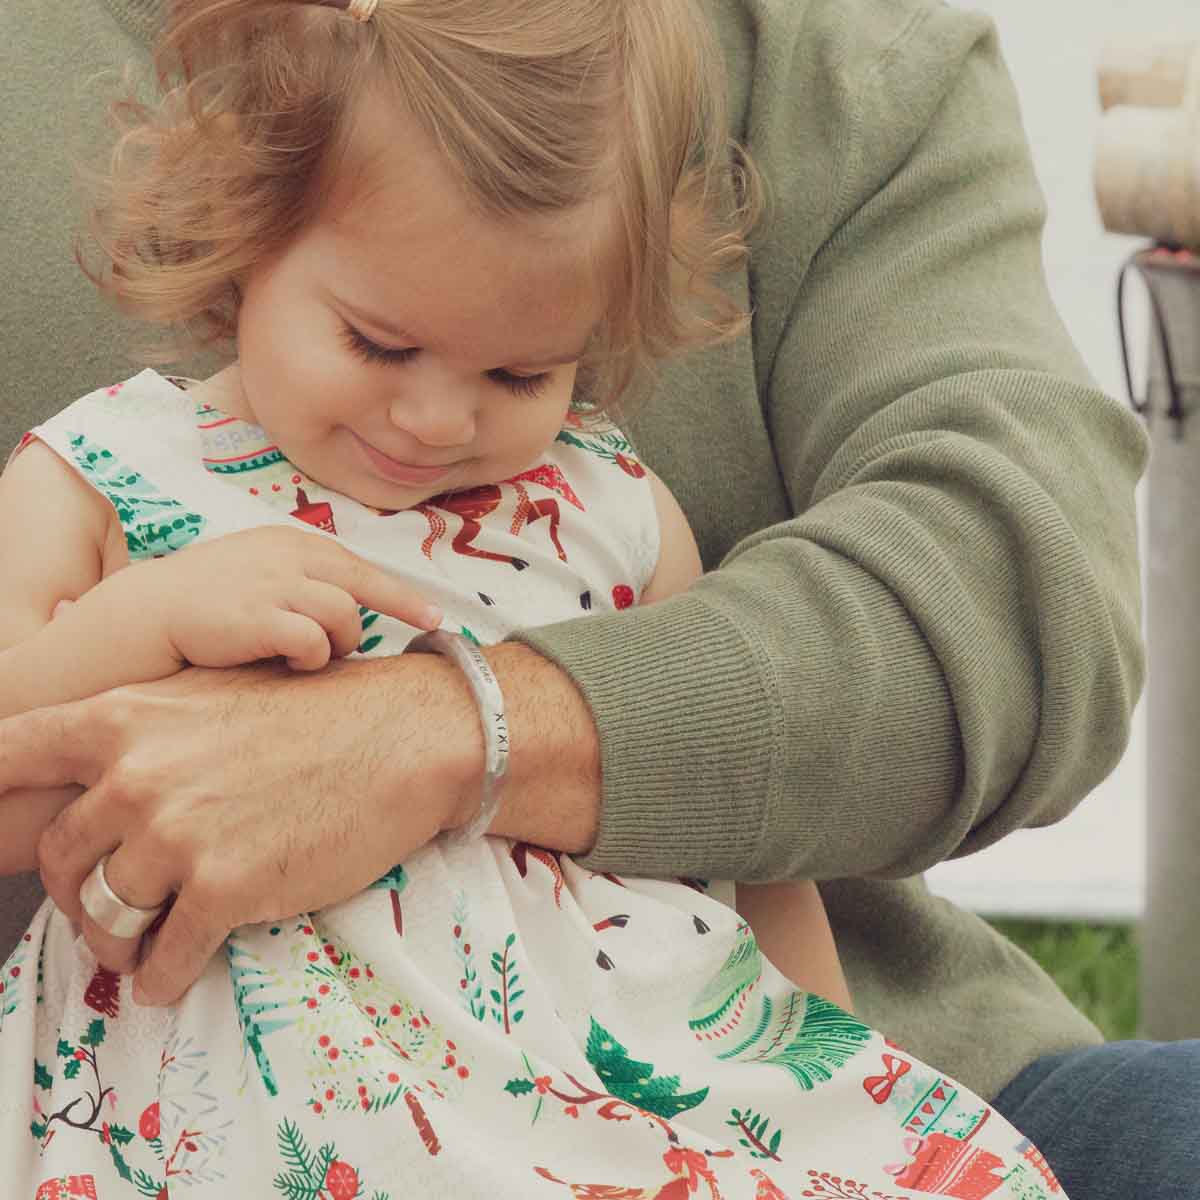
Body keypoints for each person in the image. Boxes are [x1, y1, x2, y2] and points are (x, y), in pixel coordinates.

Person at [1, 0, 1189, 1197]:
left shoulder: (600, 505)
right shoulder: (105, 478)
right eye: (375, 343)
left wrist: (837, 1101)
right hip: (249, 1143)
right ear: (241, 225)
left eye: (521, 371)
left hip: (639, 1121)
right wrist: (142, 628)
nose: (436, 420)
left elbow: (764, 846)